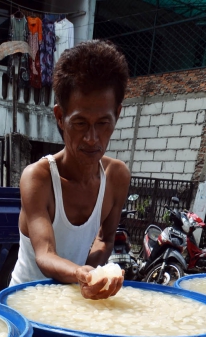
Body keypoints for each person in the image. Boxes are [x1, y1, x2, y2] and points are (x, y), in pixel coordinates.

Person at [10, 40, 131, 300]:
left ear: (117, 115)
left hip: (72, 304)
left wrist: (95, 275)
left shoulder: (117, 177)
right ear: (59, 117)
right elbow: (45, 254)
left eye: (102, 123)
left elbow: (104, 240)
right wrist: (82, 274)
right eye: (79, 123)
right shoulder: (38, 179)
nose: (91, 138)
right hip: (25, 302)